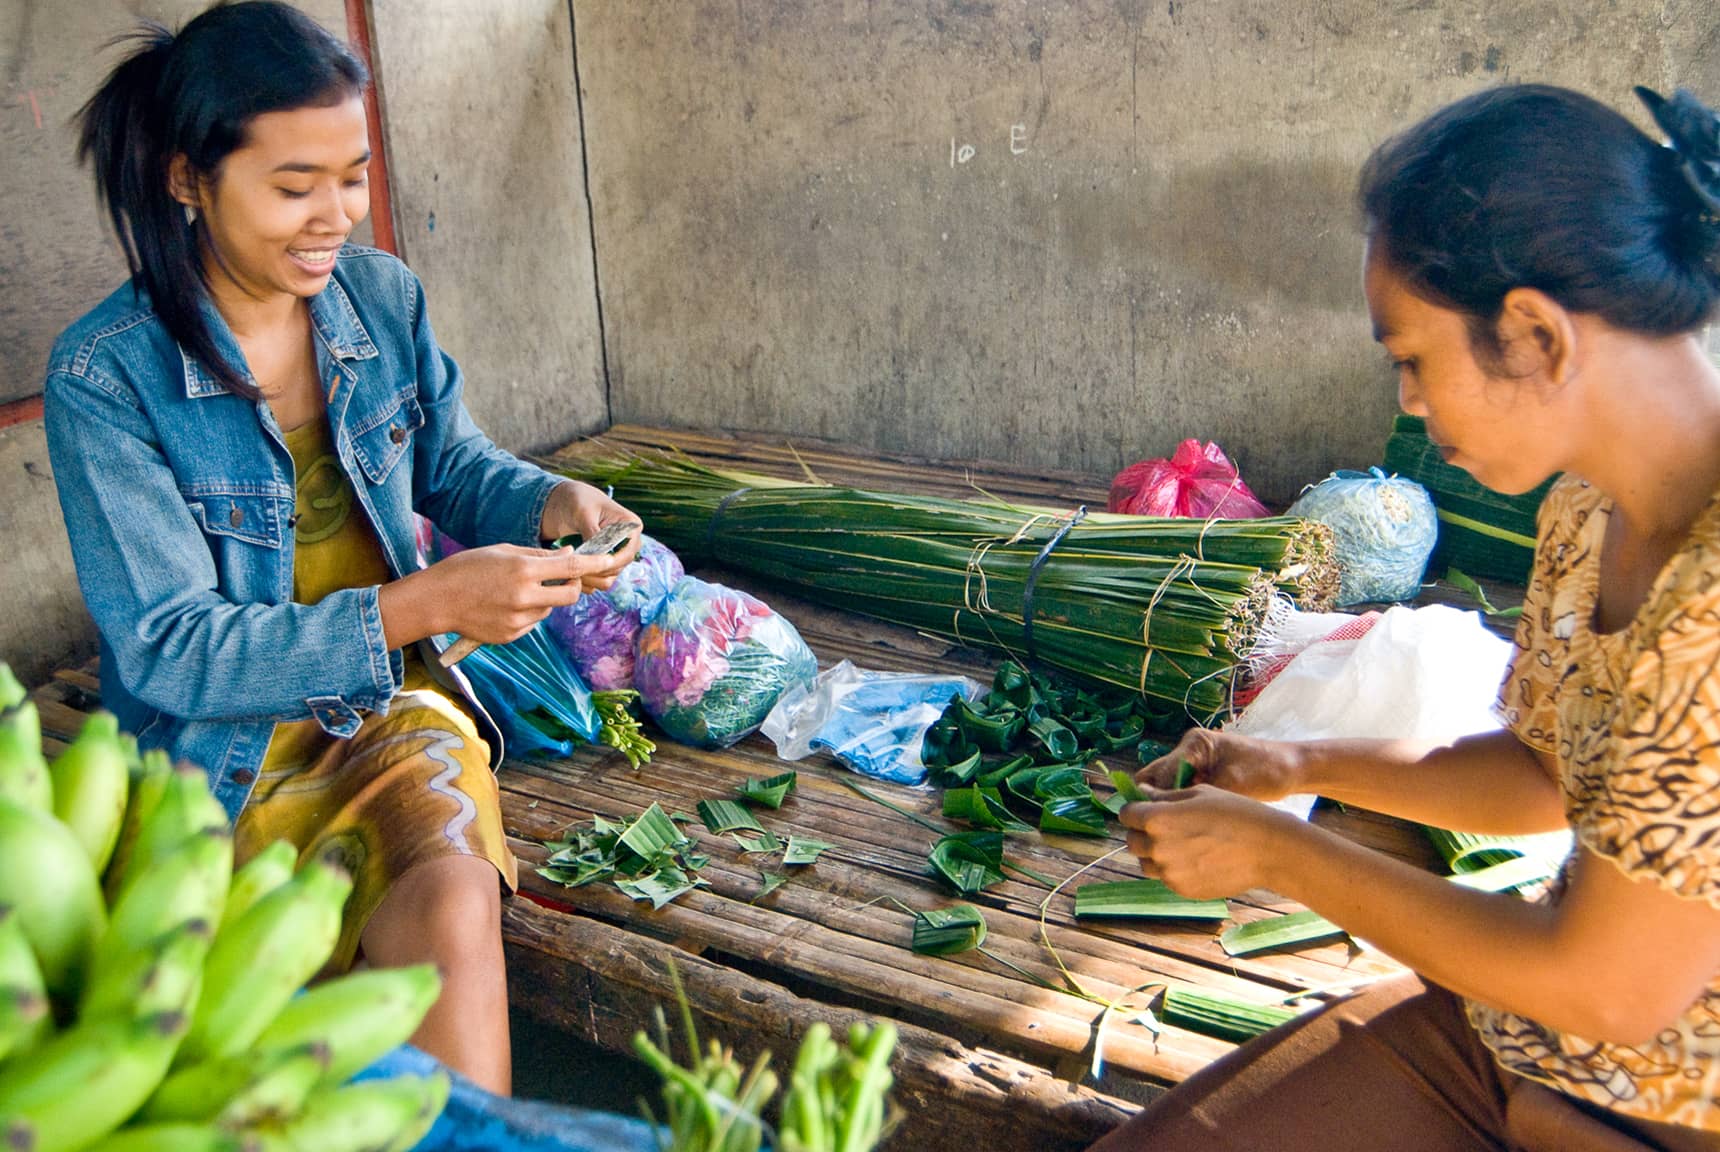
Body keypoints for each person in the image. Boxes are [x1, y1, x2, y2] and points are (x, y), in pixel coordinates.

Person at [1103, 84, 1720, 1152]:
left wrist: (1280, 857)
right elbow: (1538, 774)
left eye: (1411, 360)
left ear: (1532, 335)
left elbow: (1609, 988)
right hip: (1532, 1048)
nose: (1408, 406)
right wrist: (1292, 768)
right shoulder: (1588, 511)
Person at [43, 1, 642, 1095]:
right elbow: (174, 651)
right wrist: (423, 606)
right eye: (292, 185)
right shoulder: (105, 378)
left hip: (386, 719)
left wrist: (555, 500)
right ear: (188, 179)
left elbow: (454, 468)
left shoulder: (381, 298)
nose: (334, 216)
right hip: (209, 760)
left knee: (456, 900)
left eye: (353, 176)